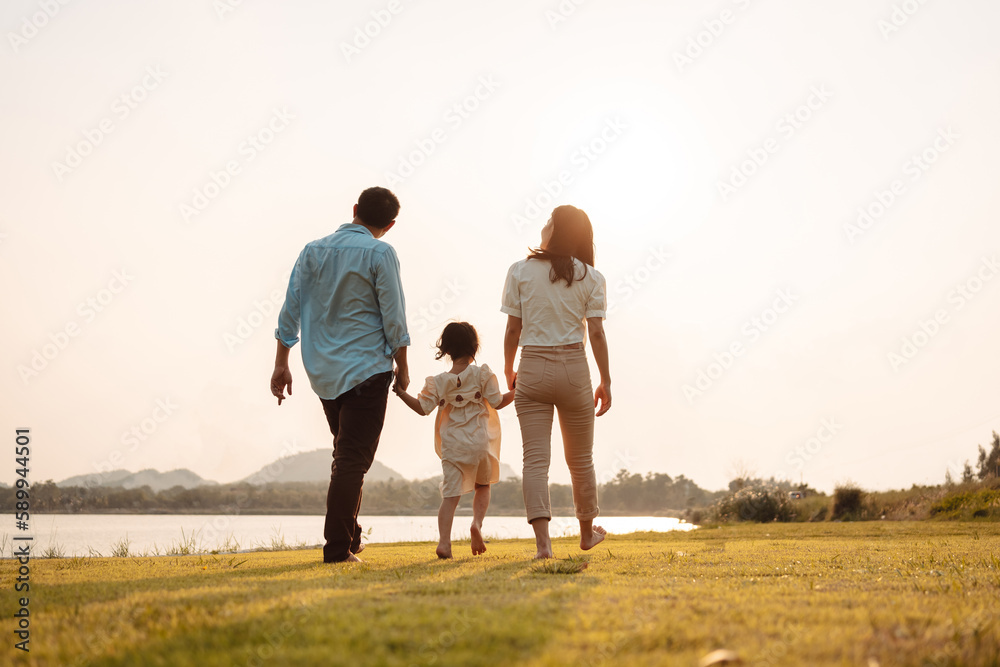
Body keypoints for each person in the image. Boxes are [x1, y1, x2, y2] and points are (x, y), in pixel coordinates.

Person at [270, 186, 410, 564]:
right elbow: (393, 315)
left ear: (354, 210)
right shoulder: (381, 252)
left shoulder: (312, 250)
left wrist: (281, 361)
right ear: (390, 224)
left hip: (323, 372)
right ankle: (337, 550)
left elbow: (290, 309)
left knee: (347, 455)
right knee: (351, 459)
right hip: (367, 369)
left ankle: (350, 537)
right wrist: (404, 365)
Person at [501, 205, 612, 559]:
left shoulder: (519, 271)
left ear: (558, 231)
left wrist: (508, 369)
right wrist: (606, 380)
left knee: (535, 461)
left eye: (549, 221)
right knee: (581, 460)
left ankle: (543, 546)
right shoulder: (591, 277)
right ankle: (586, 533)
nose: (544, 226)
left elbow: (513, 330)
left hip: (531, 364)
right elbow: (595, 332)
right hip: (574, 368)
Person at [394, 322, 514, 558]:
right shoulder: (482, 374)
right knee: (483, 486)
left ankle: (444, 543)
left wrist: (400, 392)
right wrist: (518, 392)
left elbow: (422, 408)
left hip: (452, 446)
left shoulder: (438, 382)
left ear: (446, 350)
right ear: (474, 347)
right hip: (479, 442)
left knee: (449, 497)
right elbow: (498, 401)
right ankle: (476, 524)